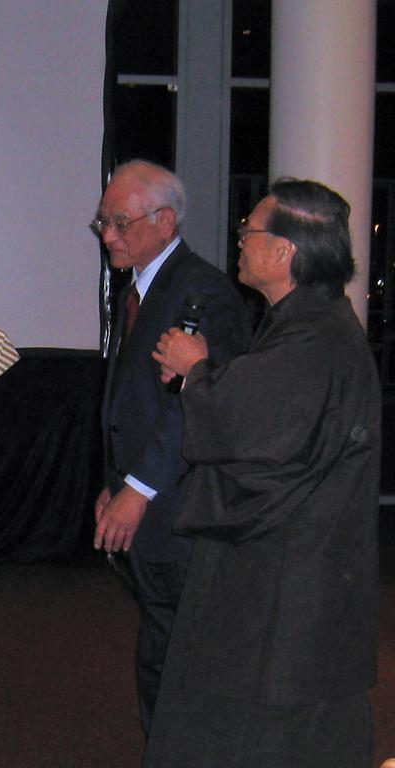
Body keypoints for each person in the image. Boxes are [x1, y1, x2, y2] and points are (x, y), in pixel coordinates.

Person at [146, 179, 380, 766]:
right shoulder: (307, 325)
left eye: (249, 230)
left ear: (284, 252)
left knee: (270, 731)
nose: (240, 241)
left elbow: (259, 436)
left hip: (291, 578)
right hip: (296, 567)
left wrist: (198, 371)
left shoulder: (316, 335)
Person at [91, 160, 251, 736]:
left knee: (185, 656)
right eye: (103, 221)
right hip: (153, 504)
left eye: (118, 222)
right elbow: (130, 403)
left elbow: (198, 407)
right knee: (163, 646)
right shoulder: (140, 286)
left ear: (163, 221)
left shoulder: (203, 292)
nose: (107, 234)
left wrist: (136, 489)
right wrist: (114, 483)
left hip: (184, 513)